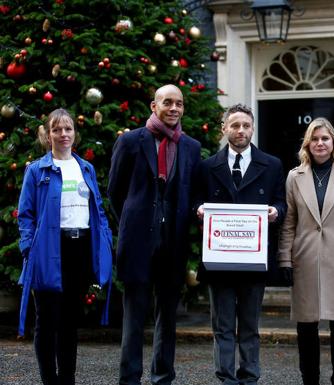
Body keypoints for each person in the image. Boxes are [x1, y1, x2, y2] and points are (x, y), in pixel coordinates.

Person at [108, 84, 201, 385]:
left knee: (168, 319)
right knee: (134, 319)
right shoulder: (131, 141)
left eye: (179, 104)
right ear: (154, 106)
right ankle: (129, 378)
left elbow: (191, 191)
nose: (174, 108)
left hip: (173, 244)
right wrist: (132, 225)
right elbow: (115, 192)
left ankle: (162, 377)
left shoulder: (191, 147)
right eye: (168, 103)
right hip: (138, 243)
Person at [17, 108, 113, 385]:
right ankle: (49, 380)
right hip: (48, 249)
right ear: (48, 135)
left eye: (68, 129)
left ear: (75, 133)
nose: (63, 134)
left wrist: (104, 240)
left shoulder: (86, 168)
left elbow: (97, 209)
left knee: (70, 322)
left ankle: (67, 379)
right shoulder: (37, 170)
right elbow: (26, 215)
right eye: (57, 129)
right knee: (47, 321)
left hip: (79, 248)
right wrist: (28, 249)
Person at [195, 103, 286, 385]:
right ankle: (226, 379)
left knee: (249, 325)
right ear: (224, 129)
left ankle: (249, 377)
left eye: (246, 125)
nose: (241, 131)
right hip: (219, 259)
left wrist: (276, 212)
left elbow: (282, 201)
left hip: (253, 259)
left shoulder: (272, 165)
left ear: (253, 128)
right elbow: (194, 201)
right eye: (234, 125)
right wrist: (198, 210)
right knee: (222, 326)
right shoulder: (208, 166)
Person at [277, 117, 334, 385]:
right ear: (308, 143)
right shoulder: (294, 176)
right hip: (304, 257)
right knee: (306, 327)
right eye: (314, 139)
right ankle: (310, 380)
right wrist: (284, 259)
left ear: (333, 142)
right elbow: (289, 221)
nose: (320, 143)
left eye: (325, 138)